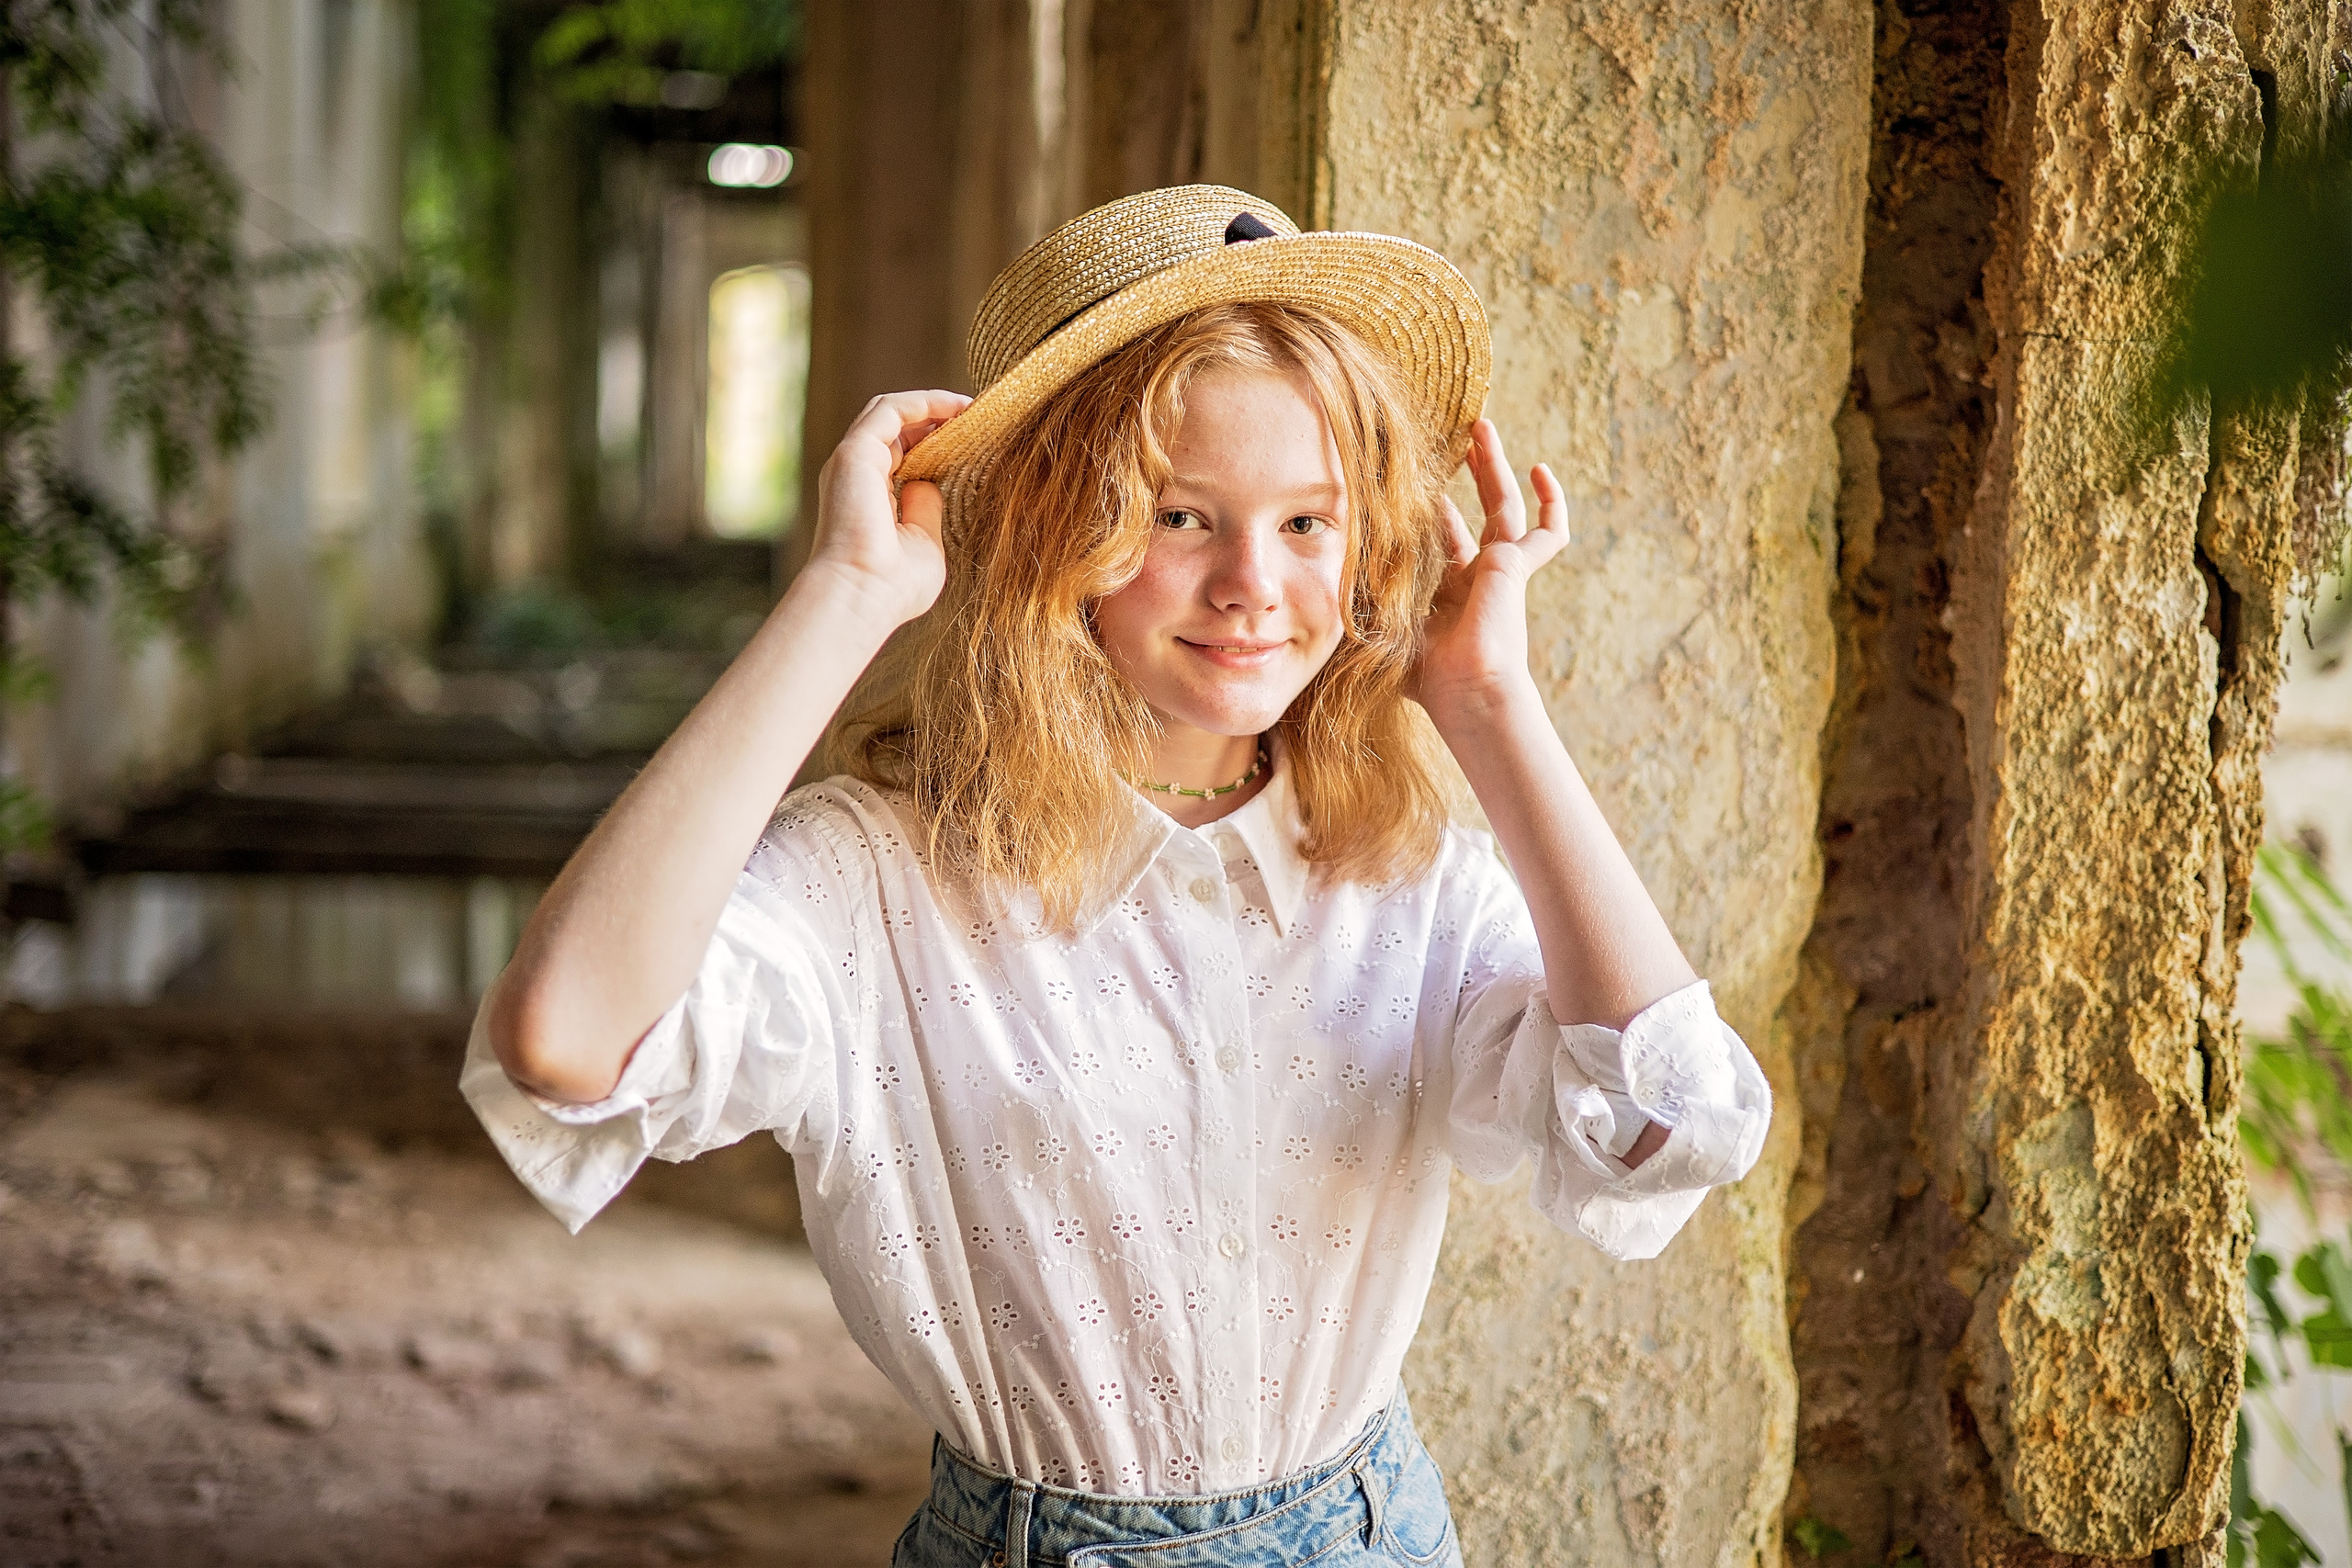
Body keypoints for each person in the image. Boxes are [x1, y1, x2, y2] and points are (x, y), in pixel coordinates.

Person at [463, 185, 1770, 1568]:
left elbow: (1665, 1129)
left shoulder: (1413, 882)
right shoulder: (876, 875)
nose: (1253, 586)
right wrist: (847, 591)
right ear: (1056, 533)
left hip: (1375, 1533)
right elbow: (566, 1045)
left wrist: (1492, 700)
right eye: (1179, 517)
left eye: (1310, 524)